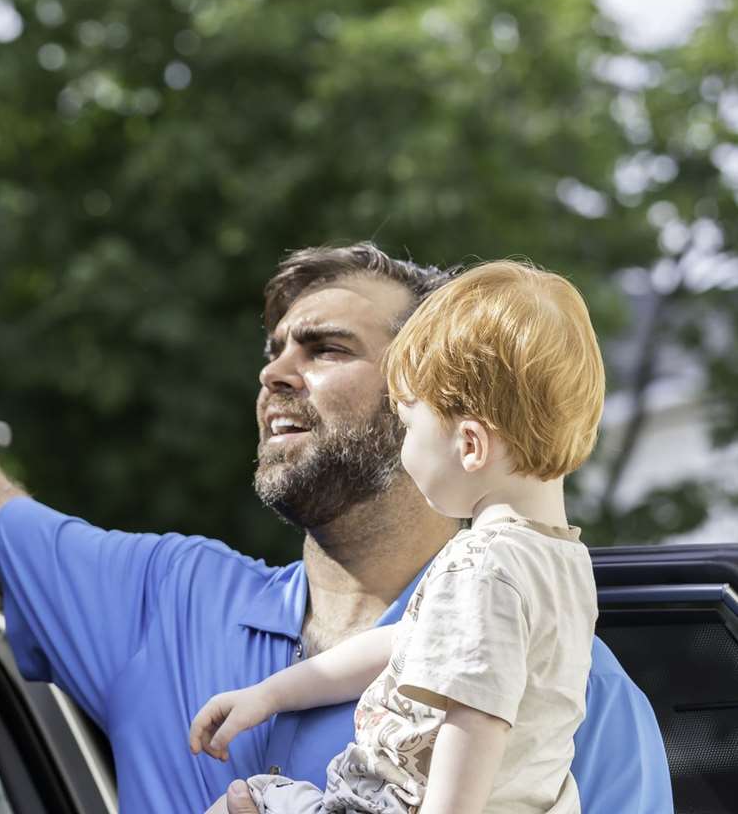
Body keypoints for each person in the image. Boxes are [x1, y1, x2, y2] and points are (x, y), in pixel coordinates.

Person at [0, 209, 672, 813]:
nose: (279, 374)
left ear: (441, 404)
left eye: (328, 349)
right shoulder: (167, 599)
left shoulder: (574, 684)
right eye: (274, 352)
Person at [190, 261, 605, 813]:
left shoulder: (482, 565)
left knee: (250, 800)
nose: (405, 451)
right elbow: (413, 641)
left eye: (410, 428)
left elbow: (476, 716)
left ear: (471, 446)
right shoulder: (563, 560)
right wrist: (271, 694)